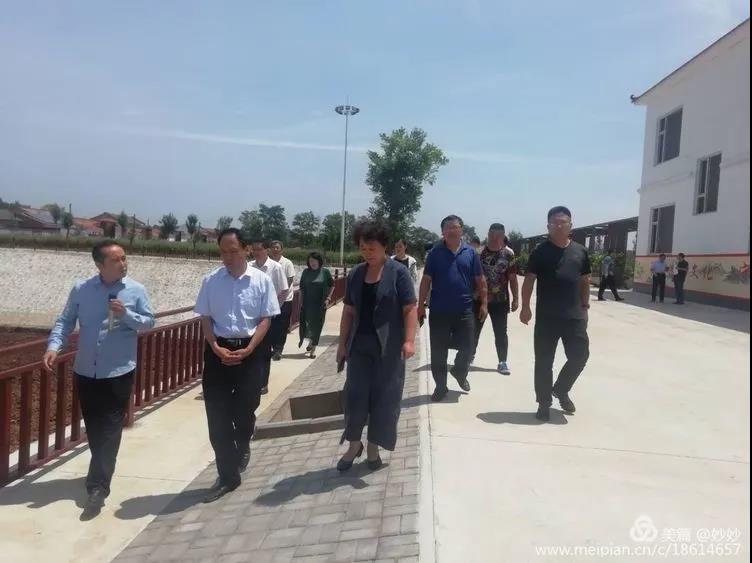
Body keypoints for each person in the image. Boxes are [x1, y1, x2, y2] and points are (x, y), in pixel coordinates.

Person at [42, 240, 155, 517]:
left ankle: (98, 488)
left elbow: (149, 323)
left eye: (124, 258)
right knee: (94, 428)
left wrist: (126, 314)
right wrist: (54, 347)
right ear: (100, 264)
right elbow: (65, 321)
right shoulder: (82, 289)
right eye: (117, 259)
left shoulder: (136, 290)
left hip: (118, 371)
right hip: (86, 371)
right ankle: (101, 471)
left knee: (111, 429)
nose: (124, 263)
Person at [195, 228, 280, 503]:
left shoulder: (261, 281)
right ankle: (228, 475)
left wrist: (251, 347)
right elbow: (205, 318)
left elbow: (266, 318)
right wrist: (215, 346)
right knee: (217, 415)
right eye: (223, 252)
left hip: (250, 351)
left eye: (233, 251)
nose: (228, 257)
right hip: (218, 351)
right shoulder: (211, 281)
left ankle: (243, 441)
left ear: (246, 249)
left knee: (244, 409)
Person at [336, 219, 418, 471]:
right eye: (363, 248)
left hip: (389, 348)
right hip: (359, 346)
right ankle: (354, 445)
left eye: (371, 248)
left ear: (384, 246)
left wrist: (409, 340)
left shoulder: (399, 273)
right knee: (355, 395)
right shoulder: (356, 274)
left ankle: (373, 447)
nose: (367, 253)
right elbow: (349, 311)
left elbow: (410, 308)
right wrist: (342, 344)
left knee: (385, 398)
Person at [520, 206, 591, 422]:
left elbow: (585, 280)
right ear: (548, 226)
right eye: (555, 223)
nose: (559, 226)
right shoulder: (540, 252)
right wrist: (525, 306)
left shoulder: (580, 251)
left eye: (563, 222)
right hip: (547, 317)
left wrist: (585, 306)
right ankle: (544, 403)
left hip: (574, 316)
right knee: (544, 362)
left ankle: (561, 389)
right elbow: (529, 280)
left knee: (580, 356)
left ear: (571, 226)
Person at [418, 215, 487, 402]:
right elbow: (426, 280)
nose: (451, 230)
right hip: (439, 311)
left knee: (468, 346)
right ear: (442, 231)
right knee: (438, 351)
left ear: (461, 230)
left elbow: (480, 279)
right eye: (447, 227)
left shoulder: (471, 253)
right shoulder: (435, 253)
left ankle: (459, 371)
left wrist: (484, 303)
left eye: (455, 227)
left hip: (465, 310)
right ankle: (441, 386)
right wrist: (420, 305)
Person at [460, 223, 519, 375]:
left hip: (500, 300)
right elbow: (469, 277)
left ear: (503, 236)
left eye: (497, 236)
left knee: (501, 331)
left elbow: (513, 278)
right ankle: (469, 357)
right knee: (473, 330)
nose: (494, 238)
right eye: (491, 235)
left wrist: (516, 298)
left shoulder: (508, 254)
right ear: (487, 234)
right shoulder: (477, 253)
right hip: (478, 300)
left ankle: (502, 361)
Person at [250, 240, 289, 395]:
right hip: (250, 316)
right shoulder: (249, 266)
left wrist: (274, 309)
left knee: (265, 350)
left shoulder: (276, 267)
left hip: (267, 317)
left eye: (259, 249)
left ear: (266, 250)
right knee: (251, 349)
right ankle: (250, 381)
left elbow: (284, 290)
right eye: (254, 249)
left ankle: (262, 383)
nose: (256, 252)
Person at [298, 252, 335, 358]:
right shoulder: (306, 272)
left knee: (317, 326)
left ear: (319, 261)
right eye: (310, 261)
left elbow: (332, 285)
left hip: (320, 304)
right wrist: (300, 302)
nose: (312, 263)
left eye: (314, 261)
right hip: (307, 303)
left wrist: (328, 298)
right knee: (307, 325)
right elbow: (301, 288)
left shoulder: (325, 272)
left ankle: (313, 349)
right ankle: (311, 341)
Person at [270, 241, 296, 361]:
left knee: (281, 326)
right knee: (270, 326)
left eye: (277, 247)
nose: (275, 249)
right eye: (273, 247)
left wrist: (281, 293)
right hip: (270, 301)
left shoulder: (287, 263)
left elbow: (290, 279)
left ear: (282, 249)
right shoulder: (268, 263)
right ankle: (271, 348)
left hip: (285, 300)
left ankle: (278, 350)